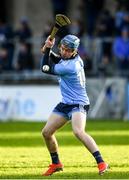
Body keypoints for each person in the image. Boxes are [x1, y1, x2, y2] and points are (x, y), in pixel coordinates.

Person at [40, 34, 109, 176]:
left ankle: (101, 162)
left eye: (68, 50)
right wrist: (48, 48)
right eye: (63, 49)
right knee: (46, 133)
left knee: (78, 131)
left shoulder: (71, 66)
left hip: (79, 103)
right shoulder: (70, 59)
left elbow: (45, 68)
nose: (64, 52)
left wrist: (47, 50)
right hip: (66, 103)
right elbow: (57, 58)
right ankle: (56, 163)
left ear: (74, 51)